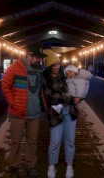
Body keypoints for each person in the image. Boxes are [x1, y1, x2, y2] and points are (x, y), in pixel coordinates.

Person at [1, 45, 47, 178]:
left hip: (35, 113)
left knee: (32, 141)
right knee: (16, 141)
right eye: (38, 57)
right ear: (29, 55)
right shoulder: (16, 67)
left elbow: (40, 90)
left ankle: (30, 166)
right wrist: (13, 102)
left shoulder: (39, 70)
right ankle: (14, 166)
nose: (39, 60)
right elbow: (5, 85)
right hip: (18, 112)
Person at [42, 49, 78, 178]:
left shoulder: (65, 75)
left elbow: (77, 89)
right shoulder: (45, 79)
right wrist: (68, 97)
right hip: (55, 114)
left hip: (70, 113)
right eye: (54, 64)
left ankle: (69, 166)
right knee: (55, 142)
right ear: (49, 66)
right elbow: (51, 96)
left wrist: (79, 97)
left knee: (70, 141)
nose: (57, 66)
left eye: (58, 64)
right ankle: (52, 166)